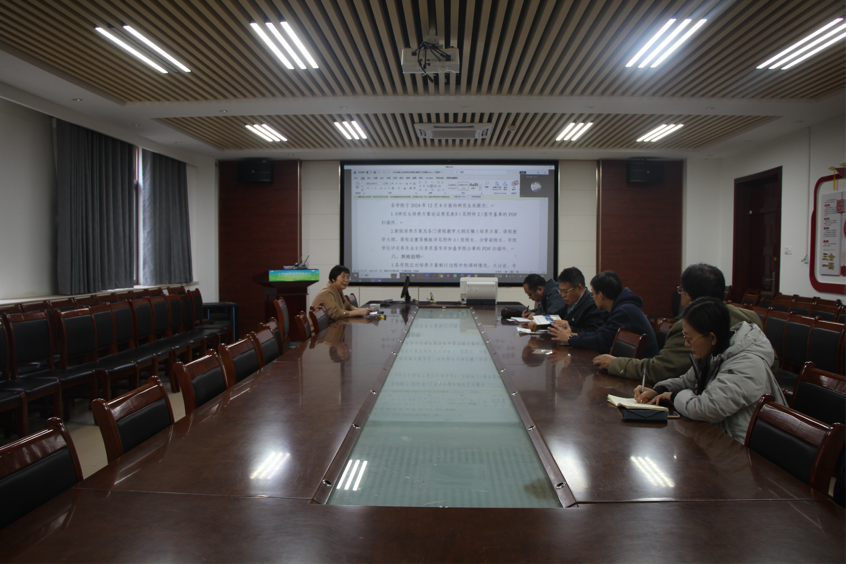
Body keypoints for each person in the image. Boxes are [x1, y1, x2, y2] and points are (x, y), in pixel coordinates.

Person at [593, 263, 777, 385]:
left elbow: (660, 370)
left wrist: (616, 363)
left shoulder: (689, 327)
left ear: (688, 296)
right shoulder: (750, 316)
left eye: (681, 290)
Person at [634, 297, 787, 443]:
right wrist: (659, 390)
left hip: (744, 450)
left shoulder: (747, 365)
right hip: (719, 436)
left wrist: (673, 397)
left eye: (689, 338)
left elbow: (705, 408)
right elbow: (686, 381)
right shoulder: (714, 350)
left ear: (712, 338)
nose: (686, 344)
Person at [550, 270, 659, 357]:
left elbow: (601, 342)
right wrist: (573, 335)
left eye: (593, 293)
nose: (592, 297)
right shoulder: (621, 309)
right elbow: (599, 333)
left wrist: (570, 339)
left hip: (641, 368)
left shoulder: (624, 312)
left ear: (600, 295)